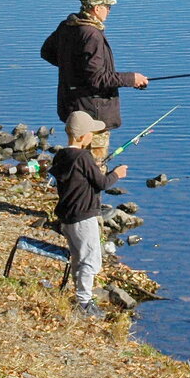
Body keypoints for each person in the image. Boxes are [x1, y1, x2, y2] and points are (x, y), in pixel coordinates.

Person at [41, 0, 148, 161]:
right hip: (92, 112)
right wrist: (131, 79)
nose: (109, 11)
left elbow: (47, 52)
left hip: (72, 105)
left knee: (76, 158)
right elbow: (98, 78)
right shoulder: (92, 35)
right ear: (96, 8)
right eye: (107, 6)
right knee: (94, 166)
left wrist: (73, 71)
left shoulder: (68, 26)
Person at [50, 110, 128, 318]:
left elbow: (79, 178)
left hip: (67, 218)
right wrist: (116, 174)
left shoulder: (61, 155)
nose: (93, 136)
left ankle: (80, 297)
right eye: (91, 132)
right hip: (84, 217)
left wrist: (94, 168)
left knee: (78, 257)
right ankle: (84, 303)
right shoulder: (84, 157)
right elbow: (101, 184)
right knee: (91, 260)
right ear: (84, 136)